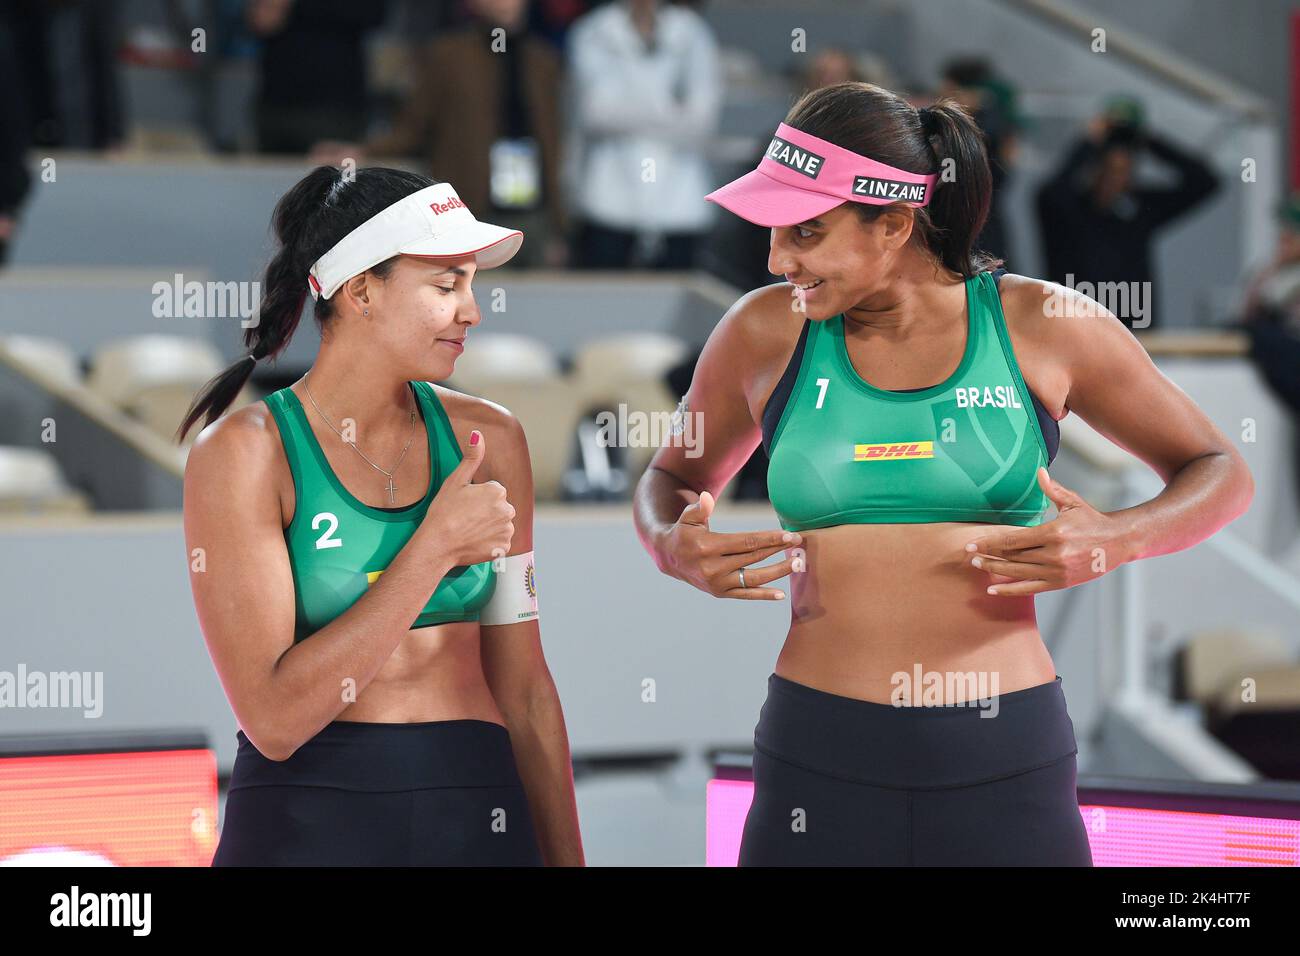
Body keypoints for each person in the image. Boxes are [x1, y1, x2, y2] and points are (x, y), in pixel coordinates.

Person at [632, 81, 1254, 866]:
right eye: (775, 233)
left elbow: (1223, 470)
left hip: (1003, 756)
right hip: (818, 753)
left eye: (806, 234)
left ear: (892, 224)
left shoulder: (1041, 325)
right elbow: (669, 479)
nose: (776, 259)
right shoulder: (763, 330)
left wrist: (1119, 539)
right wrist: (670, 544)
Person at [179, 166, 583, 865]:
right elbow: (274, 720)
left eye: (471, 285)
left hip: (476, 807)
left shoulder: (492, 440)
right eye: (445, 286)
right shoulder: (245, 454)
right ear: (362, 290)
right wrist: (432, 551)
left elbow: (525, 691)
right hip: (307, 817)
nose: (472, 311)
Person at [313, 0, 569, 268]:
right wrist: (364, 151)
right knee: (475, 299)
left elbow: (553, 142)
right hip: (470, 209)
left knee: (543, 300)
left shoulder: (542, 61)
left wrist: (558, 223)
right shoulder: (447, 56)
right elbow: (412, 127)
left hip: (534, 210)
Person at [1035, 96, 1219, 330]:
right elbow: (1047, 194)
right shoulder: (1068, 209)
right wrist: (1088, 141)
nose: (1116, 178)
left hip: (1134, 334)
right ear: (1094, 167)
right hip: (1074, 331)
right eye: (1109, 168)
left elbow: (1205, 182)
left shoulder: (1140, 210)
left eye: (1124, 170)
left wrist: (1149, 140)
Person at [567, 0, 721, 269]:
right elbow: (597, 113)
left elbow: (702, 122)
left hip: (680, 202)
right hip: (608, 198)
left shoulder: (692, 32)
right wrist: (670, 109)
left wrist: (629, 108)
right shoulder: (593, 31)